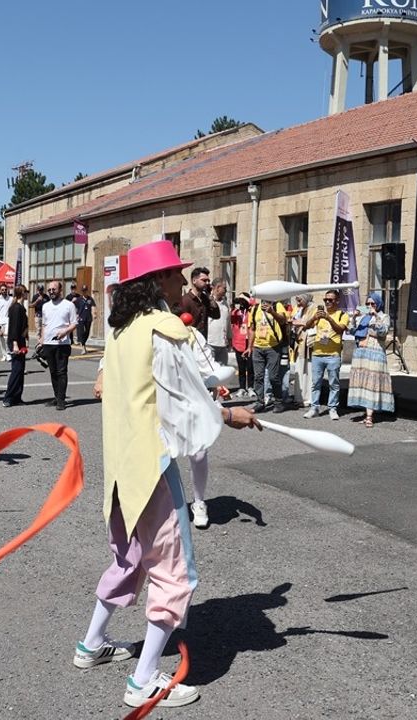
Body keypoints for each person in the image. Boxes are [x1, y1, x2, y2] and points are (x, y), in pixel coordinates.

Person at [75, 239, 259, 710]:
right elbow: (185, 399)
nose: (182, 282)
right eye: (177, 274)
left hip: (120, 470)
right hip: (152, 468)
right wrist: (229, 415)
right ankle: (142, 680)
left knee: (131, 559)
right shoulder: (162, 328)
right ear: (158, 281)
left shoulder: (119, 331)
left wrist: (218, 402)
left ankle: (92, 645)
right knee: (176, 573)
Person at [347, 293, 394, 427]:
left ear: (378, 304)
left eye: (373, 304)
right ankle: (366, 412)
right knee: (363, 382)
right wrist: (354, 318)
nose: (370, 306)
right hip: (362, 352)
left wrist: (376, 316)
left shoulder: (384, 316)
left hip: (375, 352)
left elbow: (383, 331)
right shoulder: (363, 317)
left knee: (371, 382)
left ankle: (369, 416)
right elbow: (352, 331)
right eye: (367, 304)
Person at [302, 291, 349, 421]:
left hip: (333, 355)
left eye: (331, 300)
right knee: (315, 382)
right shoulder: (318, 314)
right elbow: (306, 327)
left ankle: (333, 408)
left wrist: (328, 318)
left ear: (337, 301)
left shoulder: (342, 315)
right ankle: (314, 408)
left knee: (334, 383)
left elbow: (340, 330)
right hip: (317, 353)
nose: (327, 302)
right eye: (325, 300)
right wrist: (314, 318)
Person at [39, 280, 78, 411]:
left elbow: (74, 323)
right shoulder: (45, 306)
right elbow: (44, 325)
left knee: (61, 371)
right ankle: (57, 396)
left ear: (60, 290)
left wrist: (65, 331)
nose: (51, 292)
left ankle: (61, 400)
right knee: (53, 371)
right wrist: (42, 339)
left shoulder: (68, 305)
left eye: (53, 289)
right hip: (49, 343)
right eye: (49, 290)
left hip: (62, 344)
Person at [246, 299, 288, 413]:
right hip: (258, 347)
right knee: (258, 376)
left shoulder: (277, 305)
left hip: (273, 347)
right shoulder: (255, 308)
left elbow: (283, 320)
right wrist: (249, 347)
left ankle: (279, 402)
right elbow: (252, 329)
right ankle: (260, 402)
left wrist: (272, 312)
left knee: (273, 377)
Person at [287, 293, 316, 408]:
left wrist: (296, 322)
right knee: (299, 369)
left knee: (308, 370)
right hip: (300, 342)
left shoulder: (313, 308)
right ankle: (299, 397)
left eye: (300, 300)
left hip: (308, 343)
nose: (298, 303)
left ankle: (307, 398)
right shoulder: (301, 309)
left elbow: (311, 322)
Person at [3, 286, 30, 407]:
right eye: (26, 292)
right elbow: (13, 327)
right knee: (16, 369)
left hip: (21, 340)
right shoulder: (15, 308)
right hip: (16, 342)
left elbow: (23, 325)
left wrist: (26, 337)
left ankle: (17, 396)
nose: (28, 294)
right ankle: (8, 397)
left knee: (20, 370)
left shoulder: (21, 307)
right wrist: (15, 344)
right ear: (22, 293)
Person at [229, 295, 253, 398]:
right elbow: (231, 325)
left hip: (249, 343)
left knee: (250, 367)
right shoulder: (234, 312)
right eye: (239, 303)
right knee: (241, 368)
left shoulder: (251, 312)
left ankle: (251, 387)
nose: (241, 305)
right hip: (238, 343)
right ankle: (242, 387)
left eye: (243, 302)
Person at [205, 281, 230, 366]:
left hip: (223, 344)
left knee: (223, 372)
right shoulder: (207, 301)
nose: (226, 290)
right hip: (210, 343)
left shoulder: (225, 303)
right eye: (224, 288)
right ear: (217, 288)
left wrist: (229, 338)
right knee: (210, 371)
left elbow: (227, 321)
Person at [73, 286, 97, 353]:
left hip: (88, 318)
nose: (84, 292)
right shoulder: (78, 299)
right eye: (83, 290)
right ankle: (83, 347)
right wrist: (75, 315)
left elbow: (93, 306)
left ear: (87, 291)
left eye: (85, 290)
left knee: (87, 332)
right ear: (81, 291)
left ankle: (82, 343)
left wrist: (94, 314)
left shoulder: (90, 299)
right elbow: (74, 308)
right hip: (81, 318)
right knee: (81, 332)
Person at [0, 284, 13, 362]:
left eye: (5, 289)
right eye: (2, 290)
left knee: (6, 337)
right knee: (1, 339)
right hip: (0, 321)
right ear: (0, 290)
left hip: (8, 320)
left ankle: (8, 354)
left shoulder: (11, 299)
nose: (4, 291)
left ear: (7, 290)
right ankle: (4, 354)